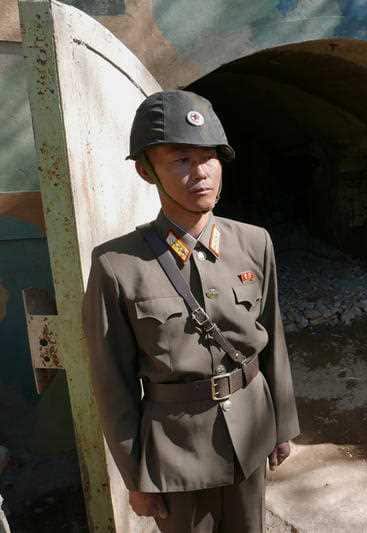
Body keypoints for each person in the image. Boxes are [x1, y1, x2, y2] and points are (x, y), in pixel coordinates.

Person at [82, 90, 300, 532]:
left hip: (250, 433)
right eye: (179, 160)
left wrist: (282, 425)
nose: (200, 174)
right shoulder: (117, 266)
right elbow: (112, 384)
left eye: (208, 157)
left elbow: (272, 338)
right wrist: (135, 476)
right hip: (176, 450)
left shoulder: (253, 242)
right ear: (147, 172)